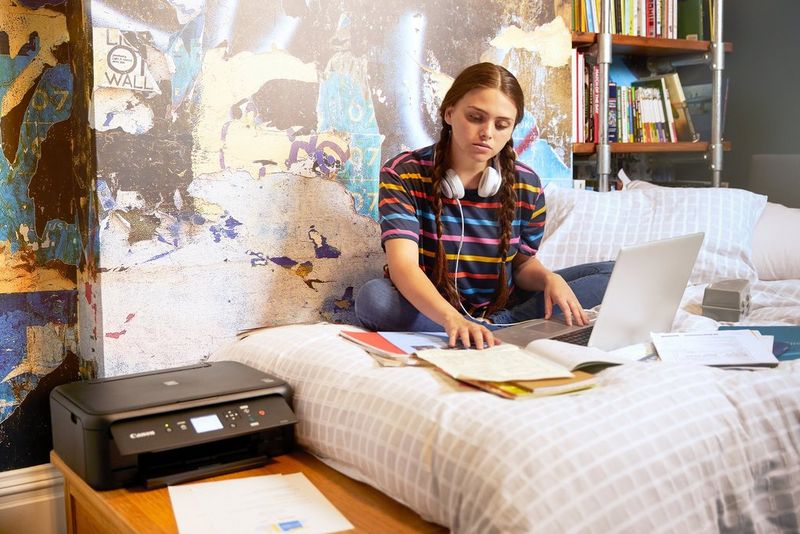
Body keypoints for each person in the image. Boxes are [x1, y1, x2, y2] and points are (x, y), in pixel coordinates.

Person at [355, 62, 613, 349]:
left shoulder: (526, 184)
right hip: (436, 309)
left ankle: (492, 328)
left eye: (501, 125)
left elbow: (522, 265)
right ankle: (496, 330)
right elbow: (404, 267)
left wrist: (547, 278)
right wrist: (452, 318)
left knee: (612, 274)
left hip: (504, 304)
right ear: (449, 113)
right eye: (476, 117)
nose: (487, 132)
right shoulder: (403, 173)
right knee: (374, 300)